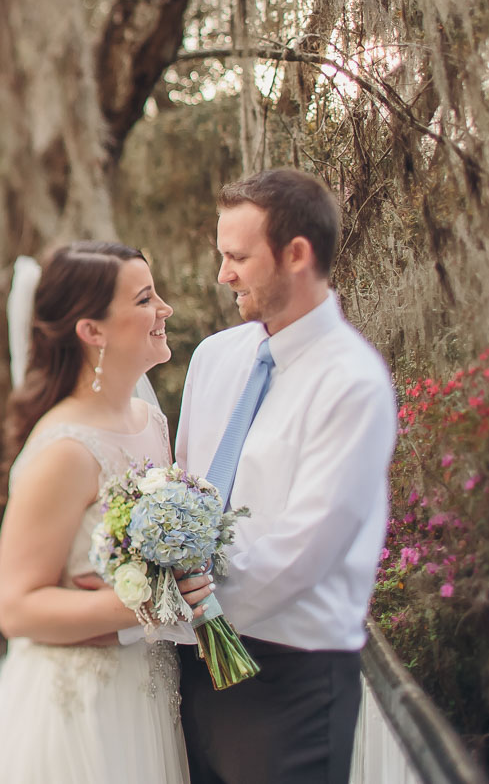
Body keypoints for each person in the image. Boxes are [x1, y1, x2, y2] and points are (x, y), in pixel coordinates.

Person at [171, 168, 398, 783]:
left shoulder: (353, 383)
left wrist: (190, 604)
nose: (223, 275)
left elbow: (306, 554)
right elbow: (184, 498)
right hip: (194, 673)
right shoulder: (215, 360)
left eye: (238, 257)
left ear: (296, 254)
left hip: (291, 684)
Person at [0, 240, 213, 784]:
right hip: (77, 706)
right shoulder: (64, 449)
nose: (165, 310)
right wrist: (147, 603)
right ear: (92, 331)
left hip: (146, 697)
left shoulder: (151, 423)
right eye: (146, 299)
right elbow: (17, 608)